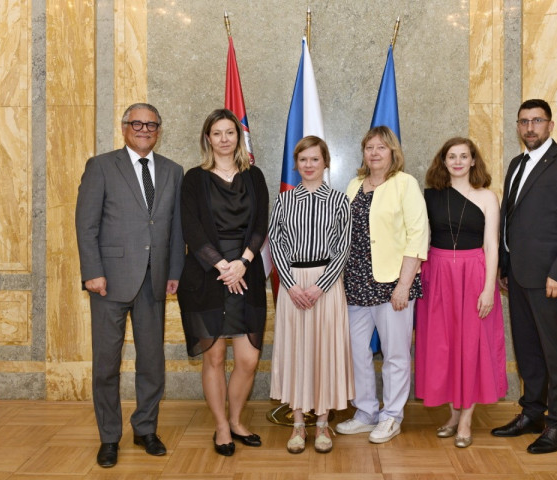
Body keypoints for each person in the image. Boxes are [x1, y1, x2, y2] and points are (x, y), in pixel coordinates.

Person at [75, 103, 185, 468]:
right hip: (108, 282)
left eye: (150, 124)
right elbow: (86, 224)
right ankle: (109, 437)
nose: (143, 129)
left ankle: (145, 429)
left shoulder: (172, 171)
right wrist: (92, 271)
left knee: (152, 363)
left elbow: (175, 228)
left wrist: (174, 270)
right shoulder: (101, 166)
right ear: (124, 128)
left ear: (159, 129)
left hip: (154, 281)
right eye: (136, 123)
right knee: (106, 365)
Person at [491, 99, 557, 454]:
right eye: (523, 122)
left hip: (553, 279)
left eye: (537, 121)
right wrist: (505, 268)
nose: (529, 127)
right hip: (519, 277)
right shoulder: (517, 164)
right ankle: (532, 414)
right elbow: (510, 221)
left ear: (550, 125)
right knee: (529, 351)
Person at [177, 108, 268, 457]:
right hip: (206, 276)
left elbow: (261, 223)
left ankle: (237, 419)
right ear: (208, 138)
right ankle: (220, 426)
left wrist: (242, 263)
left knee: (247, 359)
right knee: (213, 358)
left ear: (239, 137)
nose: (225, 139)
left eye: (231, 132)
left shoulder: (254, 175)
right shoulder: (193, 179)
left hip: (247, 273)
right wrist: (222, 266)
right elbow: (191, 228)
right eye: (217, 133)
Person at [335, 126, 428, 443]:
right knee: (356, 352)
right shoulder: (353, 185)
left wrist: (404, 285)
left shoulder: (406, 184)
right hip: (355, 284)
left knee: (395, 354)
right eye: (369, 147)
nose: (374, 153)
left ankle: (391, 416)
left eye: (381, 147)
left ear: (393, 153)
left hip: (393, 286)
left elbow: (418, 235)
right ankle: (365, 412)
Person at [415, 137, 507, 448]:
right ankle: (453, 415)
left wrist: (488, 289)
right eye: (451, 156)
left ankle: (466, 418)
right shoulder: (429, 197)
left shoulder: (487, 198)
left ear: (472, 161)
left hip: (474, 275)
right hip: (438, 275)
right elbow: (420, 239)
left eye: (463, 156)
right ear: (442, 162)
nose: (457, 161)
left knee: (471, 346)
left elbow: (492, 245)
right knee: (445, 346)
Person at [269, 136, 354, 454]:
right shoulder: (284, 201)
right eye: (302, 159)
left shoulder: (339, 201)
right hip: (292, 286)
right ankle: (298, 423)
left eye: (314, 159)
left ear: (326, 162)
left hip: (327, 286)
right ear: (296, 164)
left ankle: (322, 424)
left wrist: (320, 285)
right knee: (298, 351)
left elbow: (344, 247)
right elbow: (276, 242)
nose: (308, 165)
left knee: (323, 351)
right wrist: (290, 284)